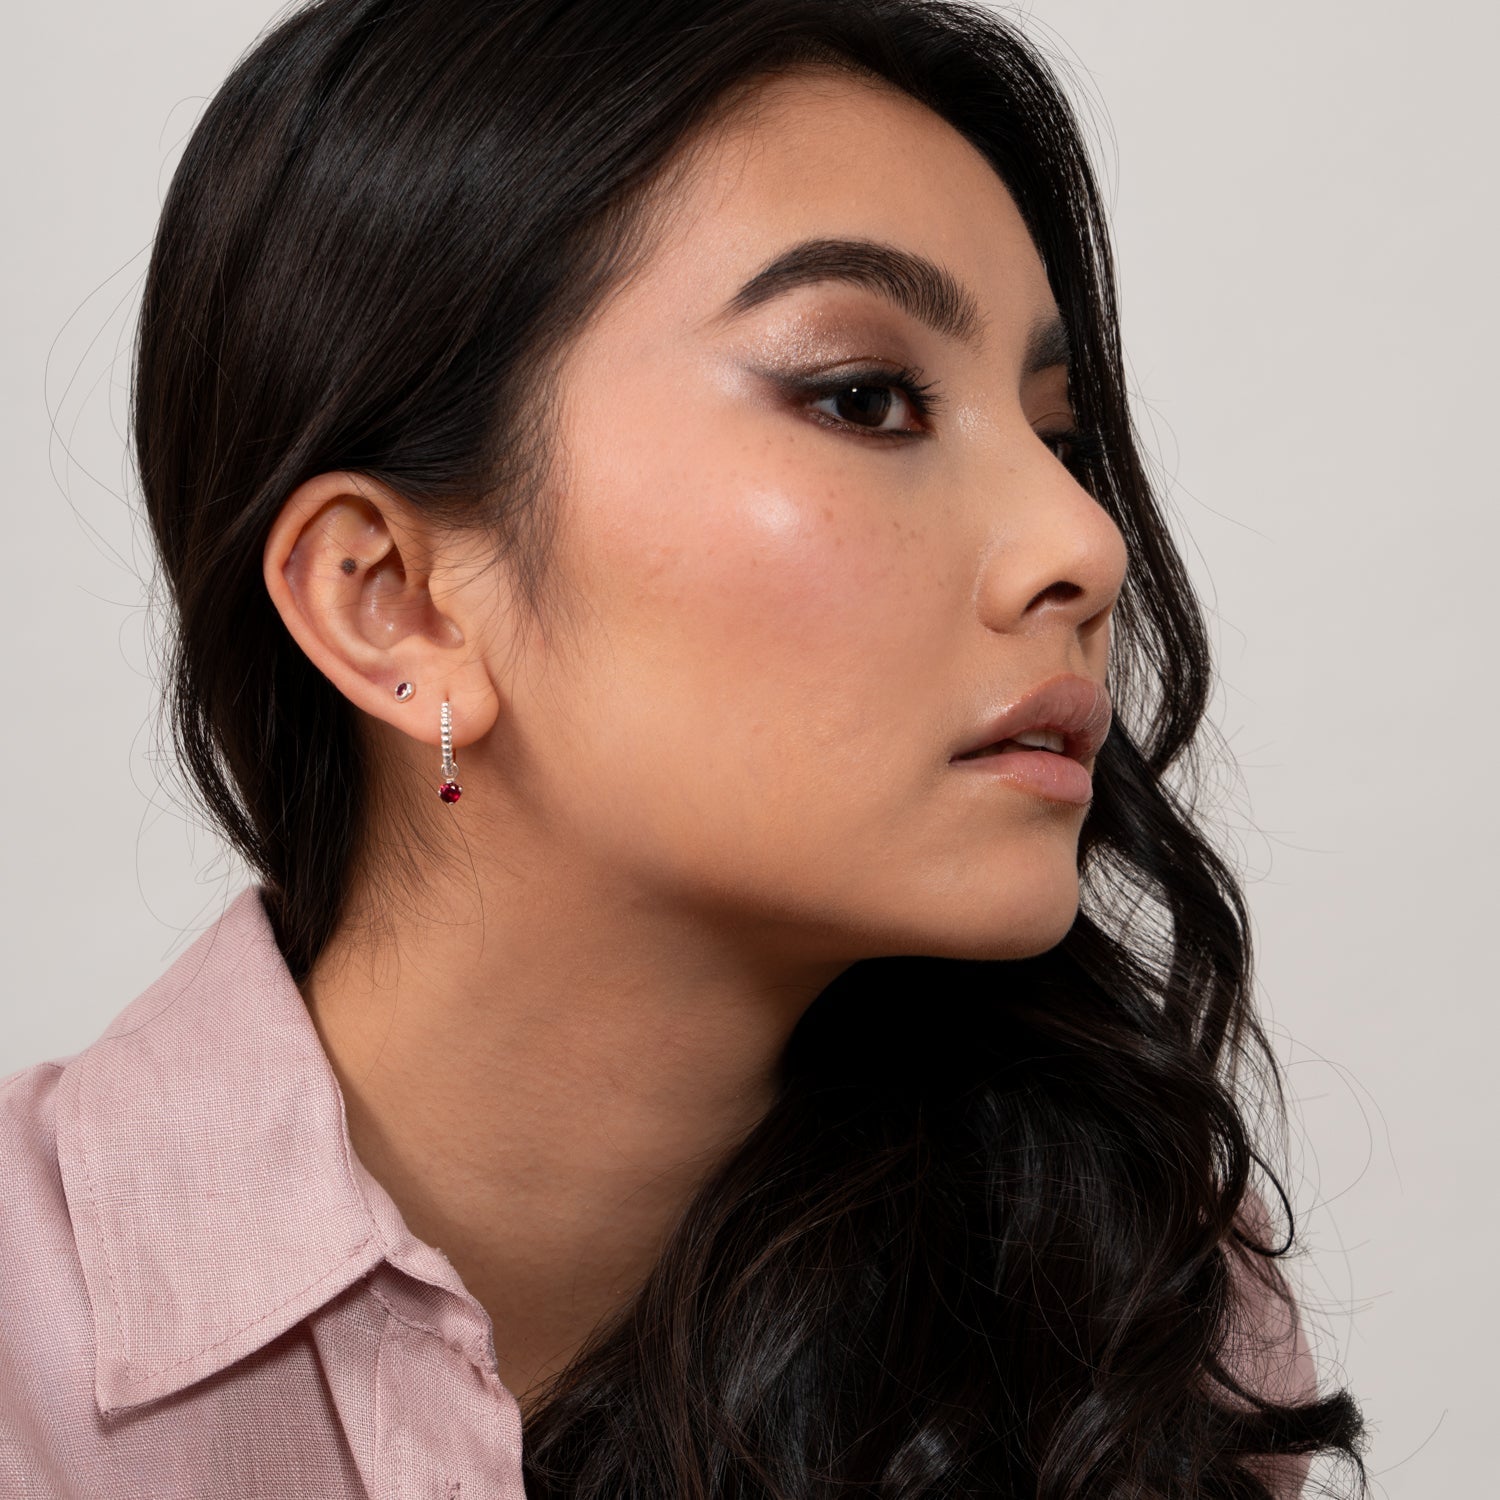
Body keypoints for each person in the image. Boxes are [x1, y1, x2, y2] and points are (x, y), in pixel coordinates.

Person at [0, 0, 1370, 1494]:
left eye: (1061, 438)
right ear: (395, 601)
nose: (1086, 544)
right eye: (865, 398)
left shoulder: (1125, 1304)